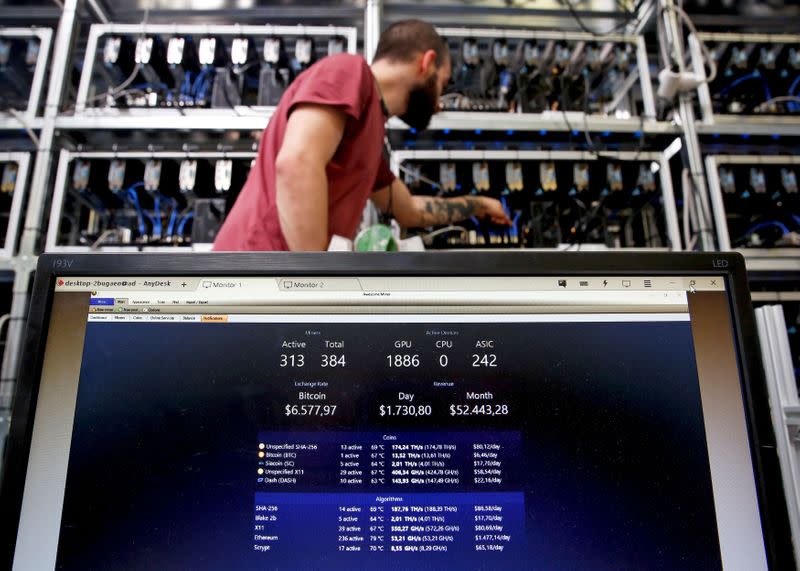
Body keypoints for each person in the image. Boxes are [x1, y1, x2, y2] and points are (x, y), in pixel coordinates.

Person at [213, 19, 510, 252]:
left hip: (279, 285)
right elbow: (297, 164)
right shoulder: (348, 71)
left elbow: (408, 211)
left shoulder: (370, 128)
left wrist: (480, 204)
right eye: (441, 85)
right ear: (426, 63)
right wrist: (315, 286)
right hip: (256, 278)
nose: (437, 104)